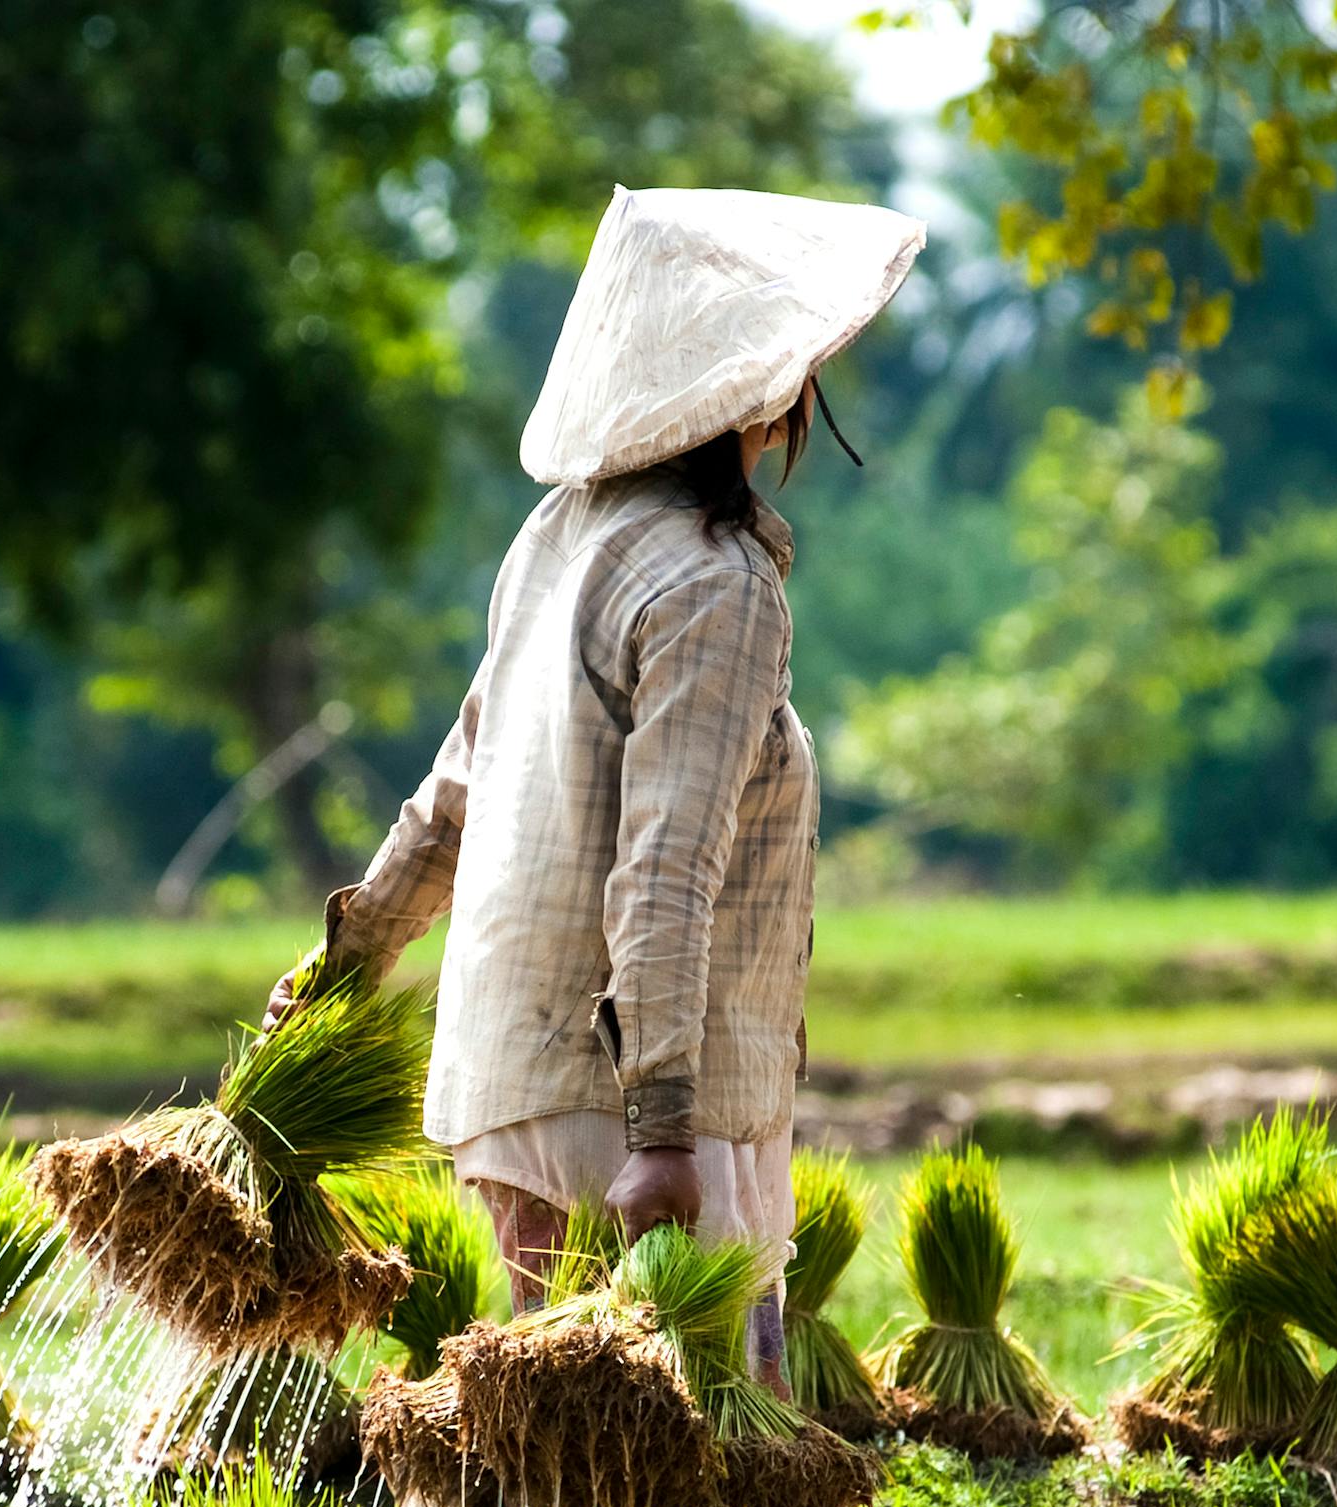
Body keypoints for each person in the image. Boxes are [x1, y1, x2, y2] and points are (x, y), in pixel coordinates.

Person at [265, 184, 925, 1386]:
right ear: (757, 387)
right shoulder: (712, 585)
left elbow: (453, 792)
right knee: (689, 1496)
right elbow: (665, 864)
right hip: (620, 1110)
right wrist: (662, 1131)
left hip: (518, 1086)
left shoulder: (561, 539)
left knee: (558, 1479)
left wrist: (345, 964)